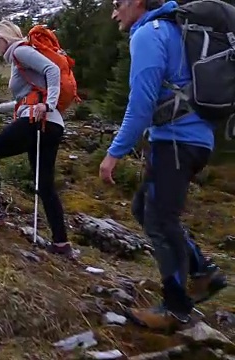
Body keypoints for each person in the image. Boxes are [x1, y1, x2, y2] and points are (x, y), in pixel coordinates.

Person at [99, 0, 227, 330]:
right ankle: (202, 273)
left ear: (139, 2)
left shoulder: (148, 35)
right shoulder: (173, 30)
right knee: (146, 206)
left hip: (175, 140)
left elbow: (140, 104)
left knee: (158, 215)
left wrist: (114, 153)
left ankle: (175, 308)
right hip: (195, 140)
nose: (114, 13)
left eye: (118, 3)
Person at [0, 20, 74, 258]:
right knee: (45, 185)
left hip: (37, 119)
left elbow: (51, 71)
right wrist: (0, 108)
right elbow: (26, 99)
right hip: (52, 124)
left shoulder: (21, 51)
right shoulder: (20, 58)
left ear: (4, 37)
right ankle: (61, 243)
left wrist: (48, 104)